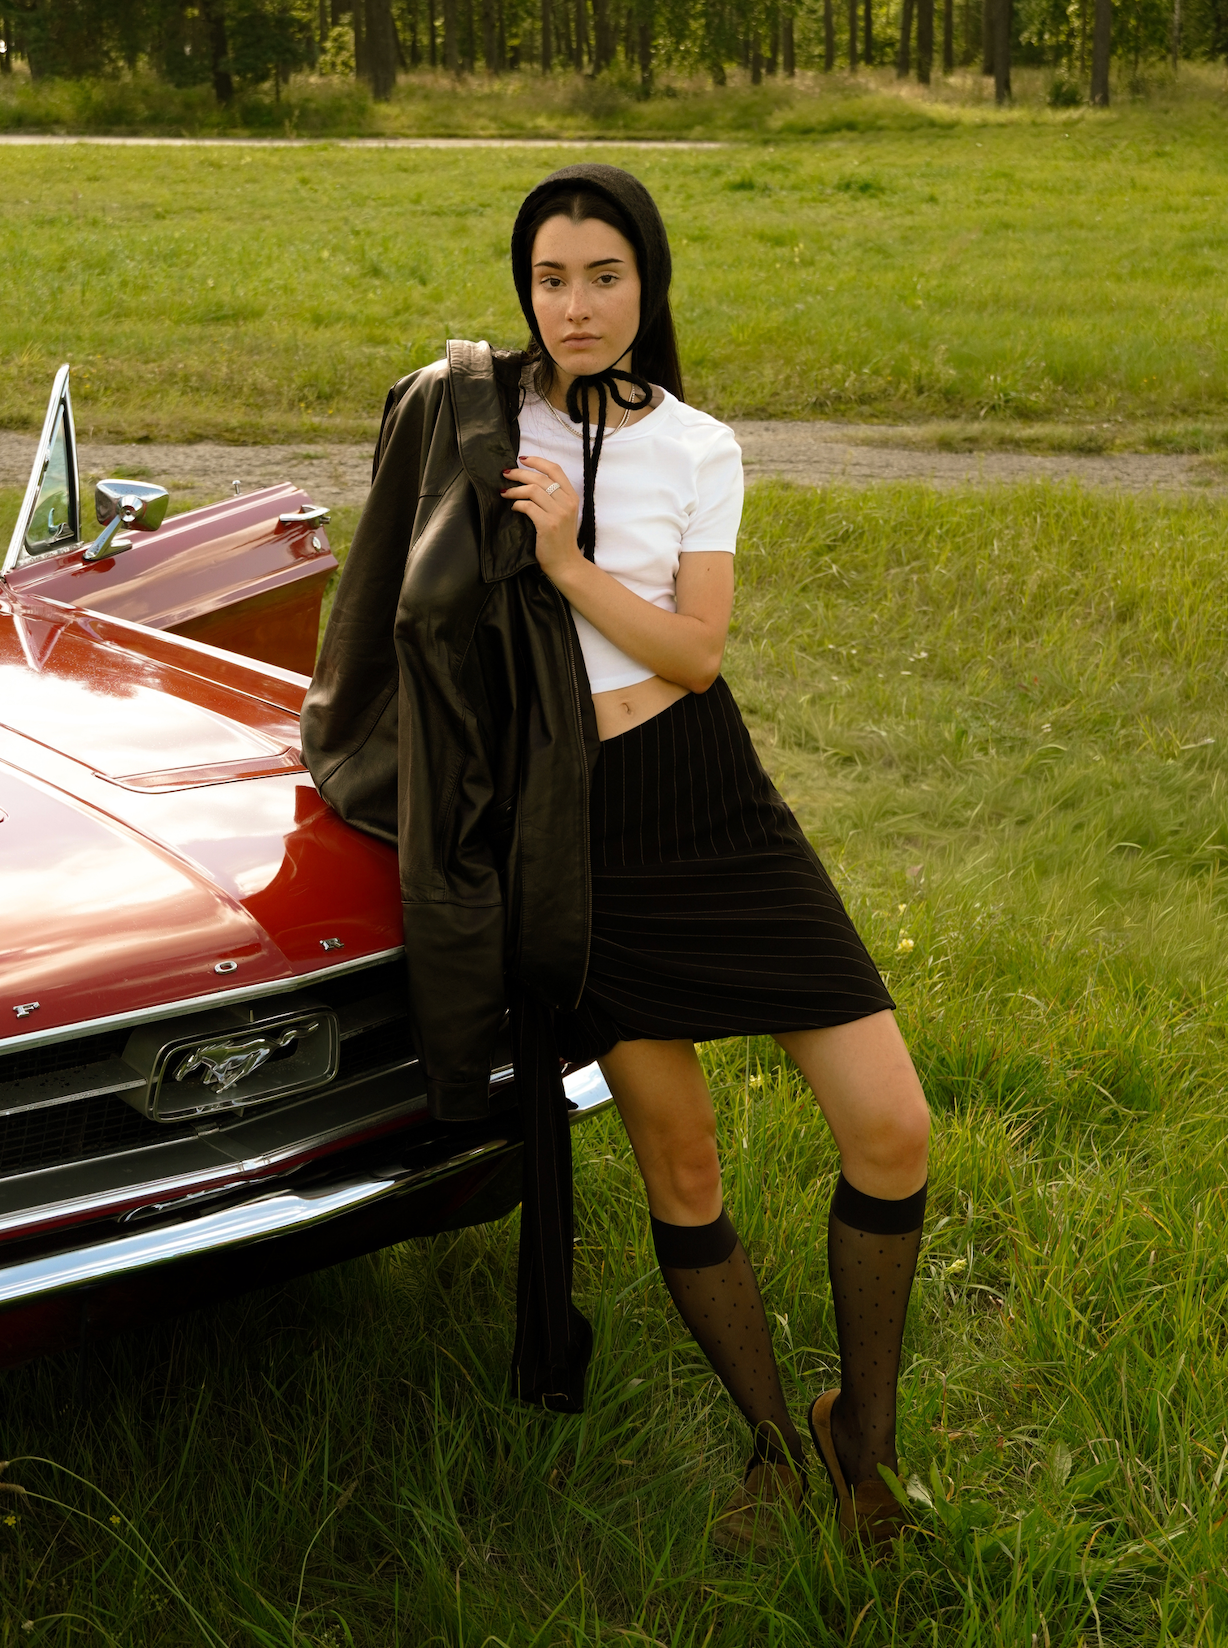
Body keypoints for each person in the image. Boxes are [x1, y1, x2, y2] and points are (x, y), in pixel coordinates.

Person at [302, 163, 930, 1558]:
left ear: (647, 285)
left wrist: (573, 562)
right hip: (570, 827)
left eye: (602, 276)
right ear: (523, 286)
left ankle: (864, 1445)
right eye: (548, 277)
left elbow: (696, 654)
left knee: (892, 1130)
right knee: (681, 1164)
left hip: (707, 802)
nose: (574, 305)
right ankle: (775, 1452)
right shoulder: (475, 420)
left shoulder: (700, 446)